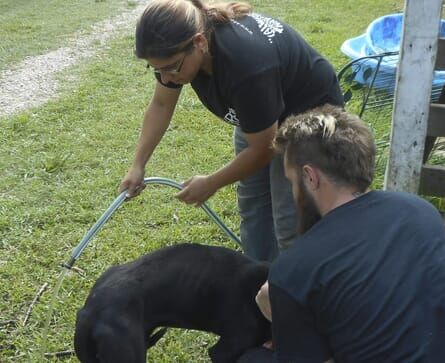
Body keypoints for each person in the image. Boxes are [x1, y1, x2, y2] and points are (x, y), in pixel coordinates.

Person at [244, 105, 445, 362]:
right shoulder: (420, 212)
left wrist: (281, 309)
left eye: (292, 182)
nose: (293, 193)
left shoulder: (293, 270)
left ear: (310, 177)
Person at [118, 0, 344, 262]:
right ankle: (259, 279)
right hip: (260, 114)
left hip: (308, 117)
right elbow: (160, 104)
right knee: (253, 203)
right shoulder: (179, 55)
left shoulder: (245, 65)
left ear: (199, 42)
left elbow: (264, 148)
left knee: (290, 221)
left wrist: (212, 183)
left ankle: (294, 291)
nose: (166, 78)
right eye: (156, 70)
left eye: (171, 68)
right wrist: (137, 165)